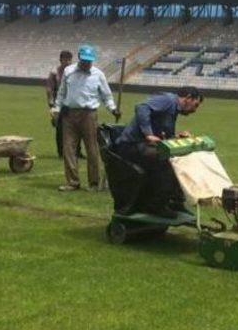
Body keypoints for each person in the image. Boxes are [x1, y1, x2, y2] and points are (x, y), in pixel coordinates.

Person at [115, 87, 203, 216]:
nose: (194, 110)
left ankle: (176, 202)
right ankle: (156, 205)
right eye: (195, 105)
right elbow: (141, 107)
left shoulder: (173, 110)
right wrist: (148, 134)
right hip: (131, 145)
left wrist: (177, 137)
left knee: (180, 158)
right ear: (188, 98)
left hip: (142, 145)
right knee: (165, 161)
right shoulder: (168, 100)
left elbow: (162, 137)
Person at [52, 43, 120, 191]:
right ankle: (72, 182)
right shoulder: (68, 71)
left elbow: (106, 95)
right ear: (79, 58)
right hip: (69, 114)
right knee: (68, 149)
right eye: (85, 60)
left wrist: (113, 109)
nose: (87, 63)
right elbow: (62, 93)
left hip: (89, 115)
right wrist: (56, 110)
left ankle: (94, 183)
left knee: (91, 149)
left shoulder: (98, 74)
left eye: (90, 61)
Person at [46, 50, 77, 158]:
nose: (68, 62)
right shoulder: (54, 72)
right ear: (60, 60)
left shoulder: (74, 72)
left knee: (76, 128)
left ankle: (77, 151)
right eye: (65, 60)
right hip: (59, 104)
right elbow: (49, 88)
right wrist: (51, 103)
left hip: (72, 103)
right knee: (60, 129)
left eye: (69, 60)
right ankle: (61, 152)